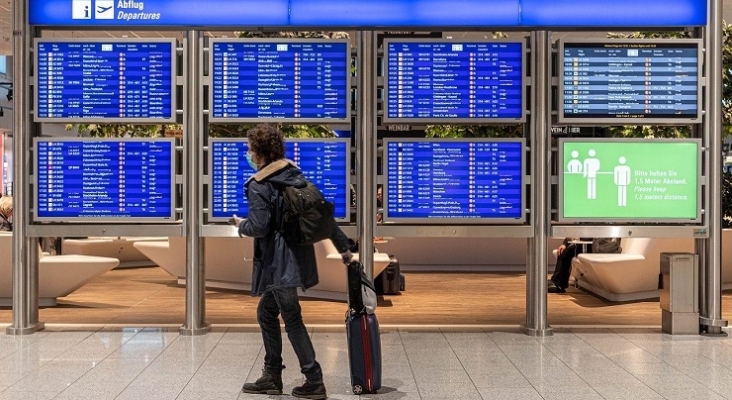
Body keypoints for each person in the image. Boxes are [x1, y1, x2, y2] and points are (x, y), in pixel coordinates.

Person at [232, 124, 353, 400]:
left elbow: (260, 226)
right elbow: (322, 215)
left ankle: (313, 380)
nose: (248, 153)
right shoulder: (294, 176)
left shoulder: (260, 185)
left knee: (292, 318)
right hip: (297, 258)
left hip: (279, 264)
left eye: (251, 148)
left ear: (260, 152)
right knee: (266, 312)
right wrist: (344, 247)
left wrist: (241, 225)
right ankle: (272, 375)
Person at [548, 237, 620, 293]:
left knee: (568, 251)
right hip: (591, 245)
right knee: (565, 251)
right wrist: (564, 244)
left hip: (598, 247)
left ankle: (558, 283)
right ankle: (557, 282)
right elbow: (575, 231)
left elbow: (585, 233)